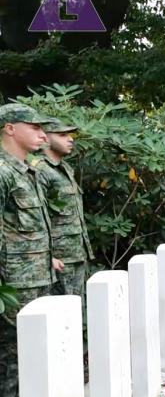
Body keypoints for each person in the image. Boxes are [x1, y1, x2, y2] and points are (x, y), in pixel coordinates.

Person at [0, 103, 59, 397]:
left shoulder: (27, 170)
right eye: (33, 127)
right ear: (10, 128)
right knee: (13, 351)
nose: (42, 134)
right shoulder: (4, 171)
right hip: (15, 279)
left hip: (38, 274)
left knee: (34, 349)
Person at [34, 118, 93, 297]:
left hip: (76, 254)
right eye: (62, 135)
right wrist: (47, 256)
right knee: (61, 315)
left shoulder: (65, 168)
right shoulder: (40, 170)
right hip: (59, 259)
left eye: (69, 134)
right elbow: (36, 217)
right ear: (45, 138)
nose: (70, 139)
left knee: (77, 312)